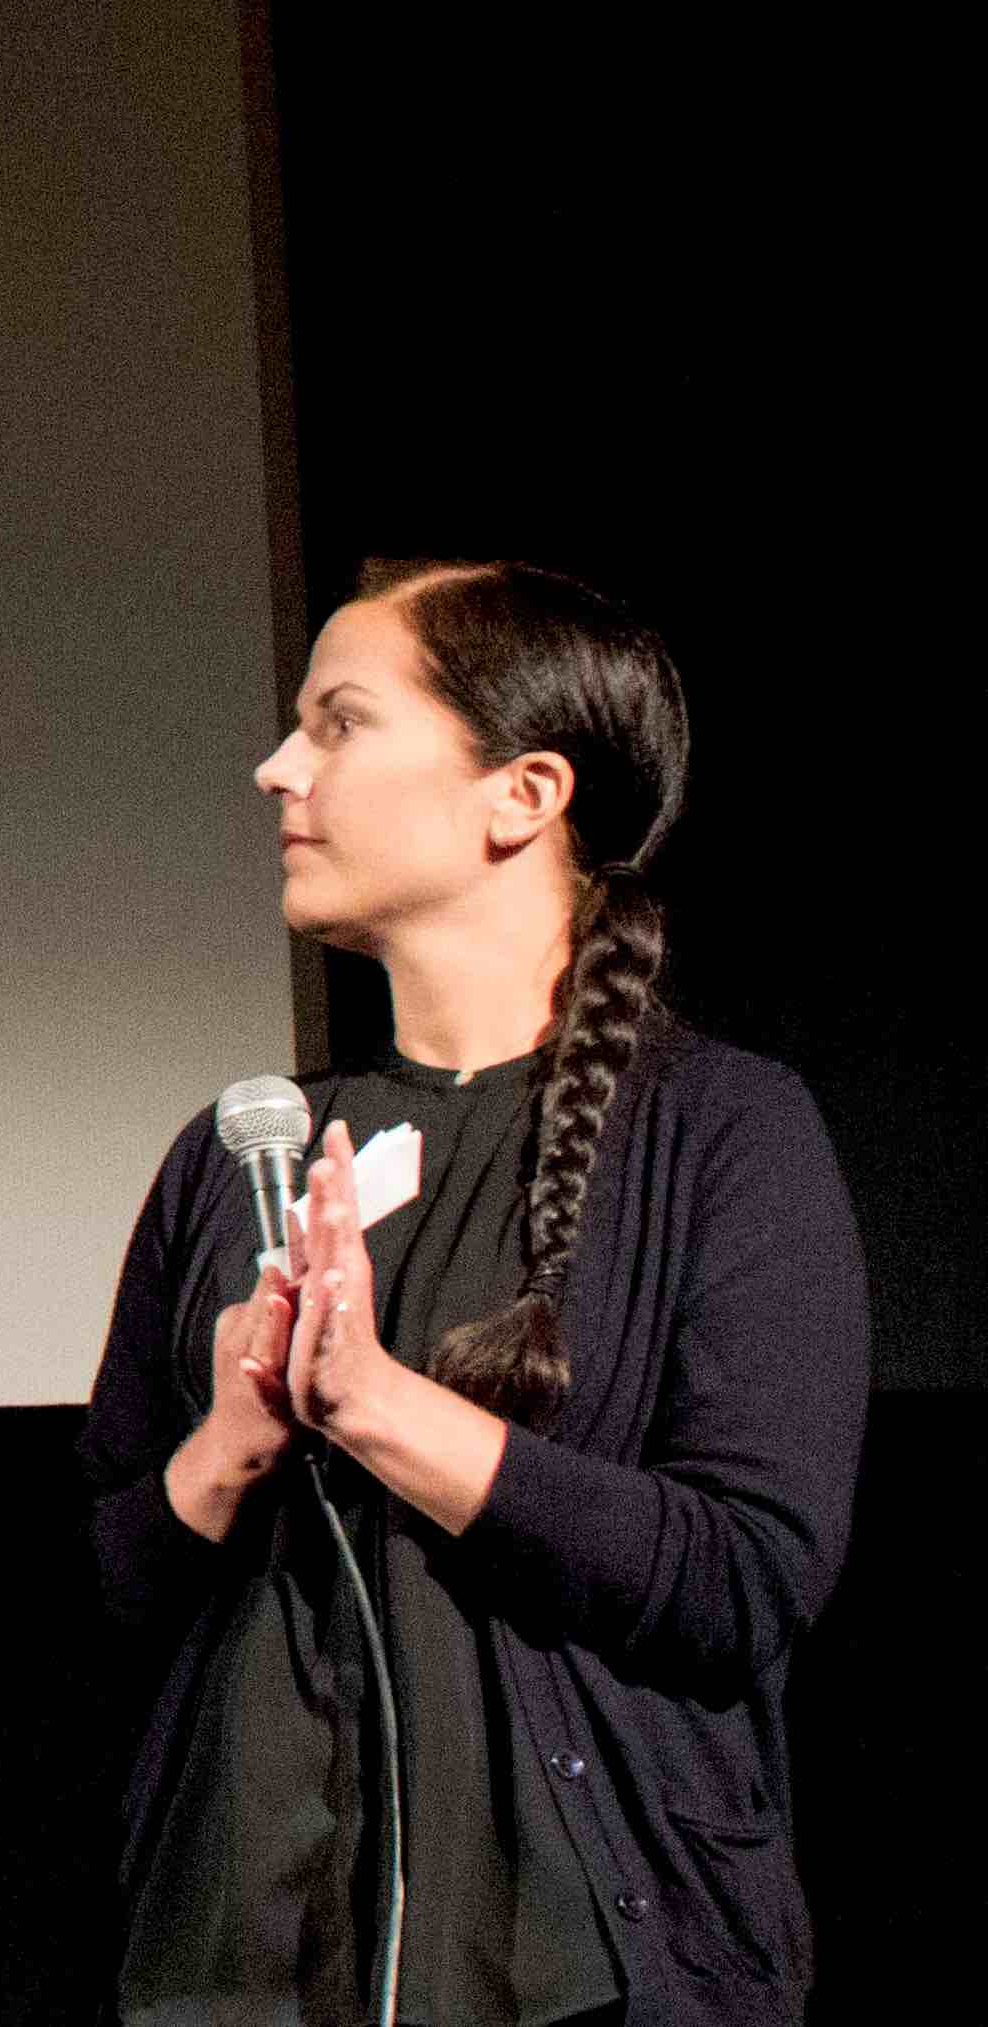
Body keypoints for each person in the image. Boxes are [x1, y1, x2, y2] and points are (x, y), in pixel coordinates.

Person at [81, 562, 864, 2023]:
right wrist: (226, 1448)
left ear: (524, 796)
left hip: (579, 1970)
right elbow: (102, 1583)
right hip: (238, 1969)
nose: (275, 770)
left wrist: (377, 1409)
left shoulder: (718, 1136)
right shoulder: (231, 1157)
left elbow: (741, 1582)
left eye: (339, 725)